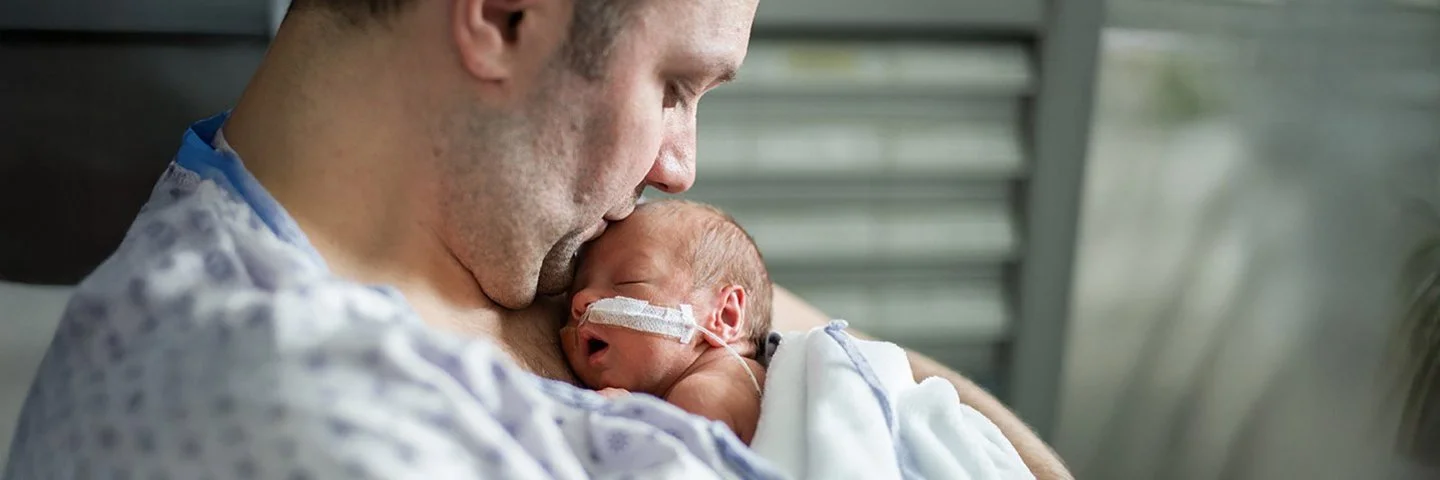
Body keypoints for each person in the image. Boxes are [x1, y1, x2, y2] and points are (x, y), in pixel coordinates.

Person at [3, 0, 1071, 478]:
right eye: (673, 85)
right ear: (505, 15)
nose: (681, 165)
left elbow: (853, 370)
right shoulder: (275, 407)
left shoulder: (531, 230)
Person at [560, 199, 771, 444]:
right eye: (578, 288)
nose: (581, 300)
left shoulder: (703, 394)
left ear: (725, 316)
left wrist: (627, 421)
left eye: (629, 281)